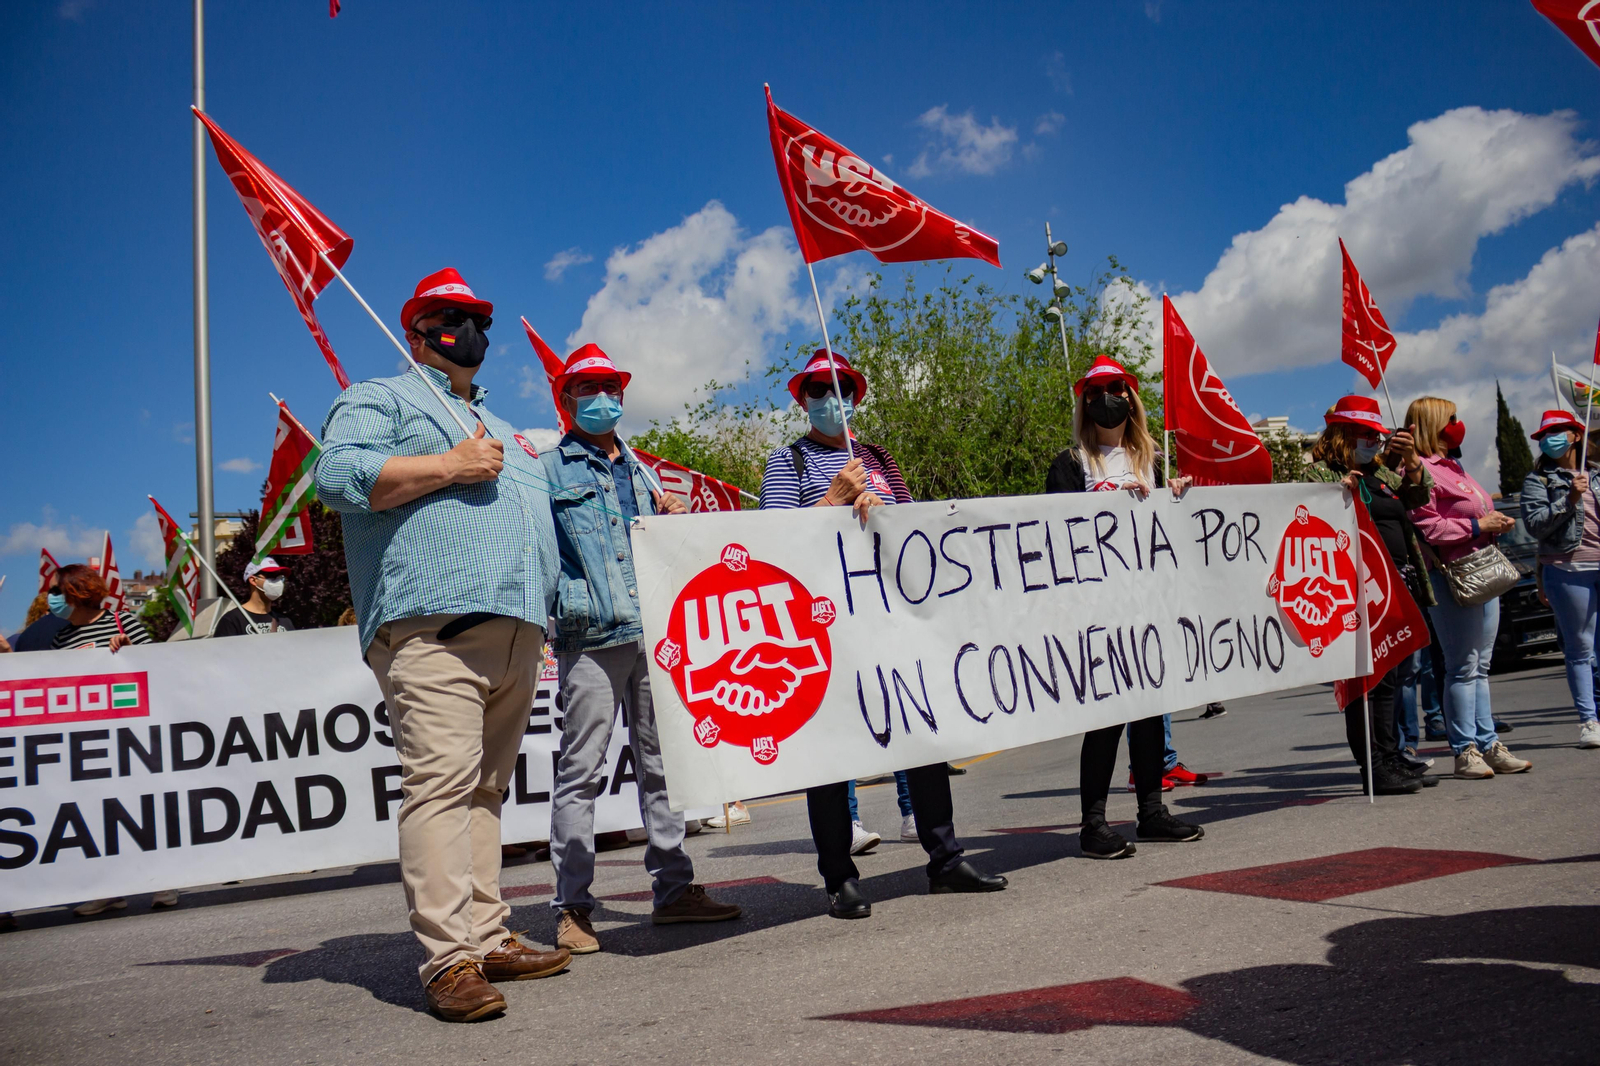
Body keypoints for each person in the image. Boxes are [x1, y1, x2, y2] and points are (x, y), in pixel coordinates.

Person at [314, 268, 570, 1022]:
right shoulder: (381, 397)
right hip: (437, 633)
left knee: (486, 792)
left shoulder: (510, 432)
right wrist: (449, 467)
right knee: (440, 790)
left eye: (478, 318)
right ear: (417, 330)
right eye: (452, 317)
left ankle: (487, 935)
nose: (471, 331)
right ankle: (448, 959)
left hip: (517, 635)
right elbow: (334, 476)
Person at [760, 349, 1007, 918]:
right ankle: (838, 876)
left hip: (891, 620)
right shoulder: (787, 462)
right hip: (826, 631)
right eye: (818, 388)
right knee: (831, 757)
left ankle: (945, 860)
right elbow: (776, 545)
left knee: (921, 736)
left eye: (840, 386)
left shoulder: (879, 459)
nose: (831, 397)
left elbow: (914, 533)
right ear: (802, 399)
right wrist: (834, 501)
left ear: (855, 396)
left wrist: (885, 511)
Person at [541, 344, 742, 956]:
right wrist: (554, 617)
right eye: (589, 387)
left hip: (655, 634)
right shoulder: (549, 471)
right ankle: (572, 906)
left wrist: (670, 520)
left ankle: (673, 891)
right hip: (592, 636)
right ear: (568, 398)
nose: (603, 397)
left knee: (664, 765)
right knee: (582, 770)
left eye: (611, 386)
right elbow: (543, 555)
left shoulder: (643, 471)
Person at [1044, 354, 1205, 859]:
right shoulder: (1071, 464)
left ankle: (1151, 811)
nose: (1104, 401)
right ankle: (1093, 825)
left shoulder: (1150, 462)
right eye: (1093, 394)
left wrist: (1173, 498)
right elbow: (1057, 533)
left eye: (1113, 390)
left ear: (1129, 399)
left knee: (1151, 711)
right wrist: (1111, 504)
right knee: (1107, 717)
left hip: (1146, 605)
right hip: (1098, 610)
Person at [1304, 396, 1438, 794]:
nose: (1374, 441)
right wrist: (1335, 493)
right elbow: (1308, 517)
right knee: (1368, 681)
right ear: (1341, 435)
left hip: (1398, 585)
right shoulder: (1319, 475)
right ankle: (1373, 767)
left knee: (1393, 678)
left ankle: (1392, 755)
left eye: (1377, 434)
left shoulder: (1383, 474)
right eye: (1365, 434)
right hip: (1357, 592)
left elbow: (1420, 496)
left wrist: (1412, 460)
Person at [29, 565, 177, 914]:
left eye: (55, 590)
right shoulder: (60, 639)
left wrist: (130, 652)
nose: (50, 597)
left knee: (142, 808)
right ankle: (110, 888)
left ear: (74, 592)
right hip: (87, 739)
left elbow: (162, 668)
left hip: (131, 735)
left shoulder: (124, 622)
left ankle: (164, 882)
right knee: (98, 813)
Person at [1404, 396, 1532, 780]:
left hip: (1480, 572)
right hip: (1452, 577)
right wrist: (1481, 526)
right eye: (1451, 418)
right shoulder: (1420, 471)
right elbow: (1430, 528)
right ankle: (1465, 751)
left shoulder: (1453, 466)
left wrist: (1491, 522)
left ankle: (1489, 744)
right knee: (1462, 666)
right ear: (1432, 425)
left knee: (1480, 665)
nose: (1457, 424)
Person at [1520, 409, 1600, 750]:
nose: (1550, 440)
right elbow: (1536, 525)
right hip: (1567, 571)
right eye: (1544, 436)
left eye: (1557, 432)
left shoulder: (1596, 475)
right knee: (1580, 649)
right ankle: (1589, 722)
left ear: (1576, 435)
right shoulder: (1537, 481)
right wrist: (1570, 498)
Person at [213, 558, 296, 637]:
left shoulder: (285, 621)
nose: (278, 582)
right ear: (253, 580)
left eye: (280, 577)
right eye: (272, 576)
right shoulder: (232, 620)